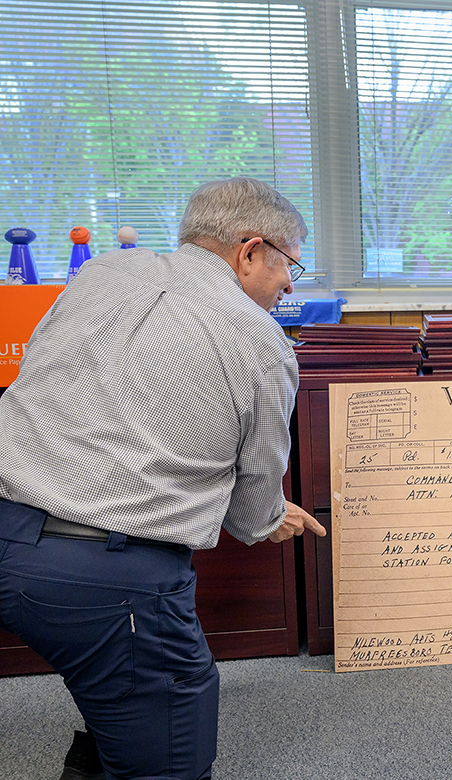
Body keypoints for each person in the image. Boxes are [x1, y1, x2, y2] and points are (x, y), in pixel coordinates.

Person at [0, 177, 326, 780]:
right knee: (173, 746)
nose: (287, 285)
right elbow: (257, 497)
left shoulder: (103, 272)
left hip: (8, 526)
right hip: (109, 576)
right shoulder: (263, 345)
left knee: (114, 690)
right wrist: (270, 517)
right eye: (290, 265)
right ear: (250, 251)